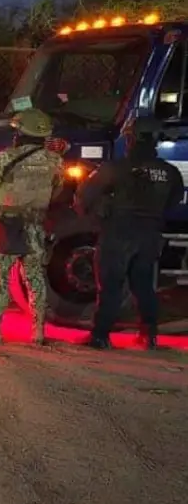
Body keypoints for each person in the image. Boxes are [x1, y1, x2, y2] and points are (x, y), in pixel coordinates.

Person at [78, 116, 182, 350]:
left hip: (119, 233)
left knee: (111, 285)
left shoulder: (115, 168)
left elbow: (85, 197)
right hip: (150, 235)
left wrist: (96, 215)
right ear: (156, 139)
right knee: (144, 285)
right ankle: (149, 335)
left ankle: (101, 336)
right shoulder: (170, 172)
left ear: (131, 137)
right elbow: (174, 202)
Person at [0, 108, 63, 345]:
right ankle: (38, 330)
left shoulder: (4, 158)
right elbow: (57, 190)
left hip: (6, 227)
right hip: (36, 226)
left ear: (20, 133)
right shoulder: (55, 161)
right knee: (35, 278)